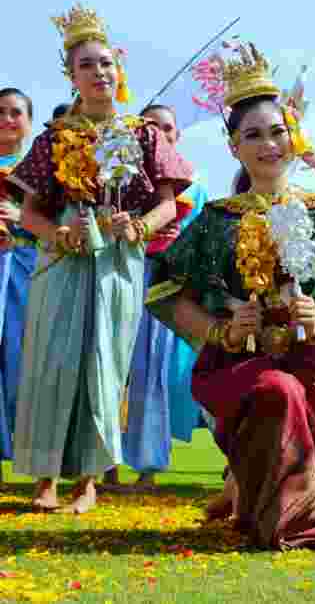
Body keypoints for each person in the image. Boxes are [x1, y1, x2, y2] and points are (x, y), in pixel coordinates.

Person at [145, 42, 315, 549]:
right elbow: (167, 293)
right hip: (237, 363)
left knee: (289, 391)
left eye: (277, 132)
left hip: (309, 363)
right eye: (252, 135)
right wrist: (219, 330)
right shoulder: (216, 220)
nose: (268, 145)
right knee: (274, 393)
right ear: (233, 145)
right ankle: (283, 522)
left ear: (293, 136)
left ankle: (255, 502)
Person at [8, 4, 192, 513]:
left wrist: (137, 226)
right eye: (86, 65)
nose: (99, 72)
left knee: (105, 361)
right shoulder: (51, 140)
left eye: (106, 63)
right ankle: (43, 479)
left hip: (119, 259)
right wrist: (59, 231)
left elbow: (168, 202)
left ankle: (89, 481)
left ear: (120, 70)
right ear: (71, 76)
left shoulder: (144, 135)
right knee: (50, 358)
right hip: (61, 259)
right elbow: (28, 213)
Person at [106, 103, 209, 490]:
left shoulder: (194, 186)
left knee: (154, 372)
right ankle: (104, 465)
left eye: (168, 127)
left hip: (168, 284)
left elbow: (201, 241)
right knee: (113, 367)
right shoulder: (127, 178)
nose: (161, 133)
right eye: (151, 127)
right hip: (124, 274)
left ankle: (149, 469)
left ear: (177, 134)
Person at [0, 89, 39, 484]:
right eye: (0, 112)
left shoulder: (42, 169)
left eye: (16, 113)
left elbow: (58, 222)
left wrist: (19, 216)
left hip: (27, 268)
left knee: (21, 359)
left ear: (29, 121)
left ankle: (27, 455)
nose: (8, 119)